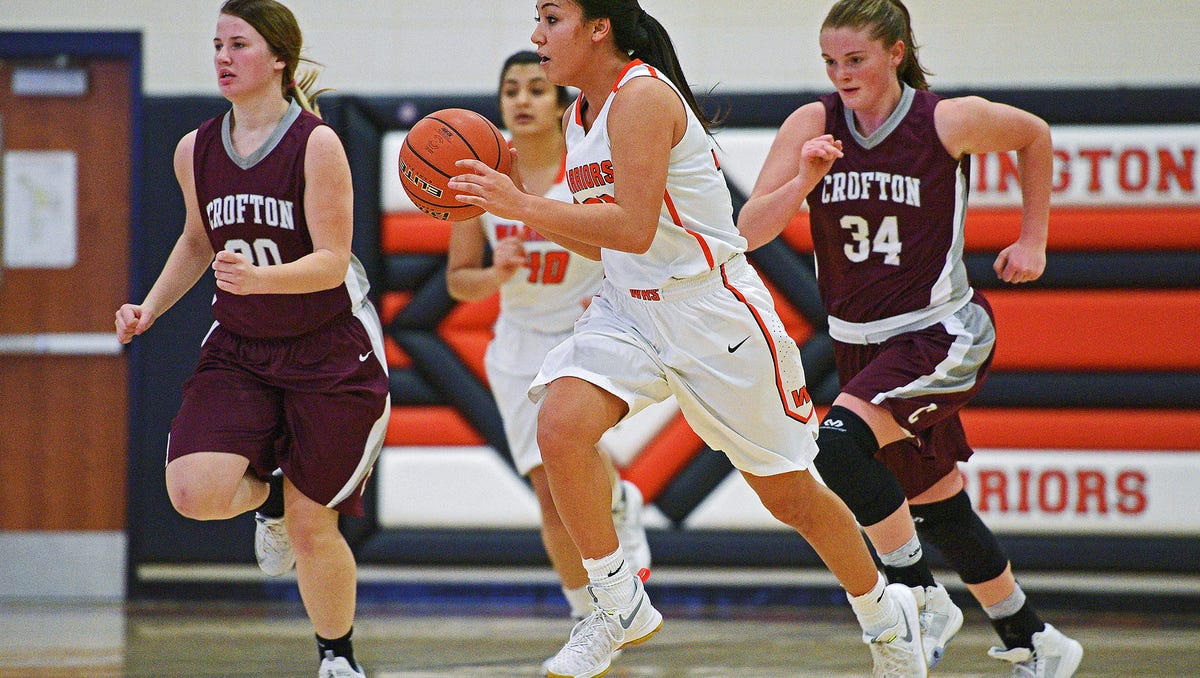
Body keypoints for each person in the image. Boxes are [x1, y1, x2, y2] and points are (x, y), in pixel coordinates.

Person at [450, 2, 928, 676]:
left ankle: (885, 617)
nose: (536, 35)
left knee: (789, 495)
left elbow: (637, 227)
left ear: (598, 27)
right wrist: (521, 213)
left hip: (711, 311)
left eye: (551, 17)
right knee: (558, 426)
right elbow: (598, 234)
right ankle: (617, 604)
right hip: (627, 308)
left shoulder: (641, 97)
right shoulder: (577, 114)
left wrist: (520, 205)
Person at [737, 1, 1083, 676]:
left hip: (940, 334)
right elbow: (749, 230)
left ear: (896, 52)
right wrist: (805, 179)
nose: (841, 74)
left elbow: (1034, 134)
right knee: (938, 502)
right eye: (830, 62)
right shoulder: (813, 124)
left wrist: (1034, 237)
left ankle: (919, 595)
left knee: (835, 446)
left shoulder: (944, 120)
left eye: (856, 60)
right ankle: (1035, 638)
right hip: (859, 344)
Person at [113, 2, 389, 676]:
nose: (223, 58)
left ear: (279, 60)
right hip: (243, 348)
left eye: (239, 44)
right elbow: (197, 240)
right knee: (194, 492)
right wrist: (148, 308)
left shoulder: (315, 143)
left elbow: (331, 260)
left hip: (329, 349)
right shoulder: (195, 149)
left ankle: (337, 658)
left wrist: (261, 279)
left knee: (311, 525)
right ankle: (262, 493)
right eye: (216, 45)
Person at [443, 49, 651, 642]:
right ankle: (587, 614)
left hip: (587, 331)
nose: (523, 100)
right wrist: (496, 276)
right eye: (511, 90)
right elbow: (459, 281)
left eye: (537, 88)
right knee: (547, 493)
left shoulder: (584, 166)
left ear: (559, 101)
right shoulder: (478, 177)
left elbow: (628, 241)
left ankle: (615, 518)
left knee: (566, 467)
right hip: (518, 340)